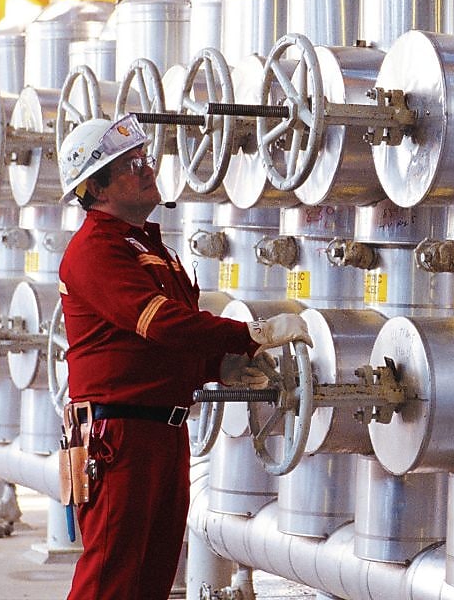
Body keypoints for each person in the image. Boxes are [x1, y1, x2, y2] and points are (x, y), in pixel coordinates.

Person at [56, 115, 312, 600]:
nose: (147, 169)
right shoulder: (95, 250)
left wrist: (219, 367)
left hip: (162, 432)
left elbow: (165, 346)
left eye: (144, 158)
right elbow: (163, 323)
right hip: (119, 438)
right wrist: (251, 335)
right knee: (110, 582)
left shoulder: (152, 250)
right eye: (131, 165)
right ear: (97, 187)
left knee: (149, 582)